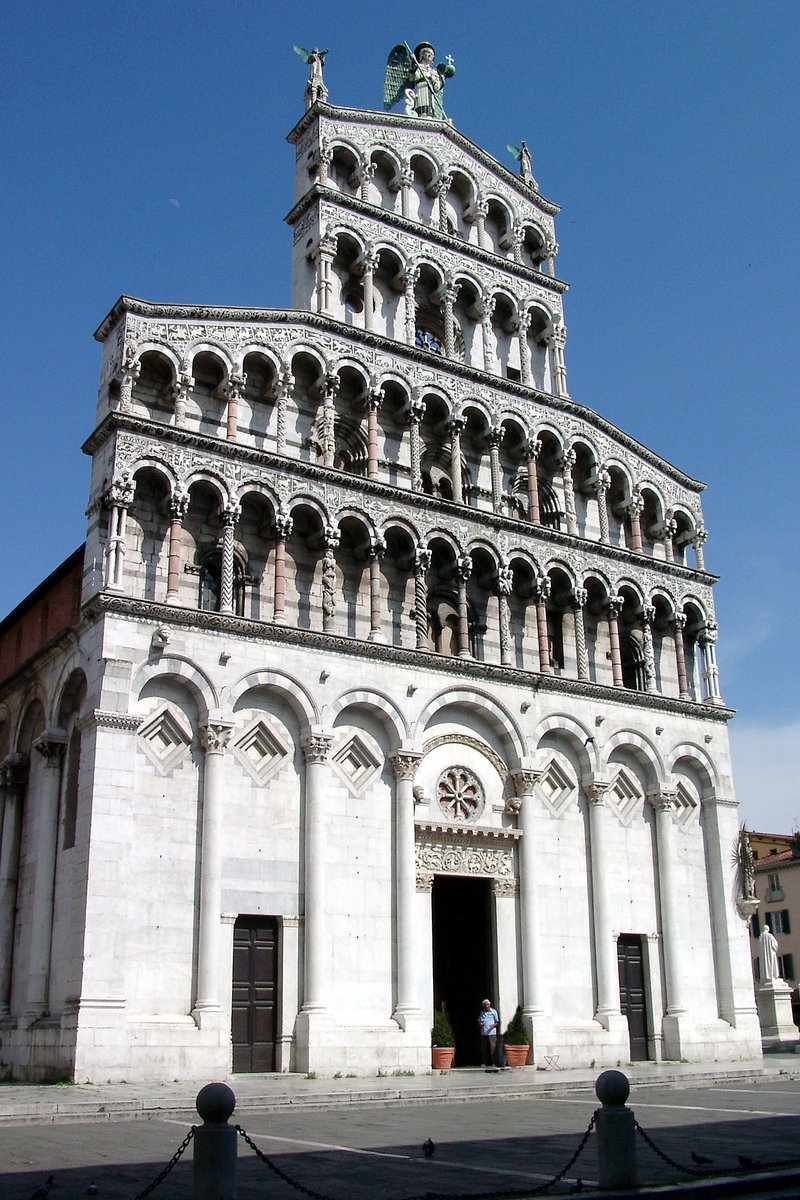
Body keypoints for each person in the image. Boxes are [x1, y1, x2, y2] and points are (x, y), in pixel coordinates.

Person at [479, 998, 500, 1067]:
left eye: (488, 1005)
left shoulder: (494, 1012)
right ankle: (484, 1062)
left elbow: (497, 1022)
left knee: (493, 1048)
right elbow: (479, 1020)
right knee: (484, 1048)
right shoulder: (482, 1012)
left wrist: (493, 1025)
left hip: (492, 1033)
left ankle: (494, 1062)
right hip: (484, 1033)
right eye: (485, 1005)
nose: (487, 1006)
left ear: (490, 1005)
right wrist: (480, 1023)